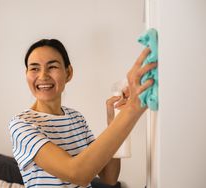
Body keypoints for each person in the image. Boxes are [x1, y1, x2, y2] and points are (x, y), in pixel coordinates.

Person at [9, 39, 157, 188]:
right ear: (26, 74)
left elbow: (109, 177)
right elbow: (78, 174)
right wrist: (133, 108)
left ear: (68, 73)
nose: (43, 76)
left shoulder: (76, 118)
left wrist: (113, 121)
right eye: (34, 68)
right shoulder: (22, 125)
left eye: (52, 66)